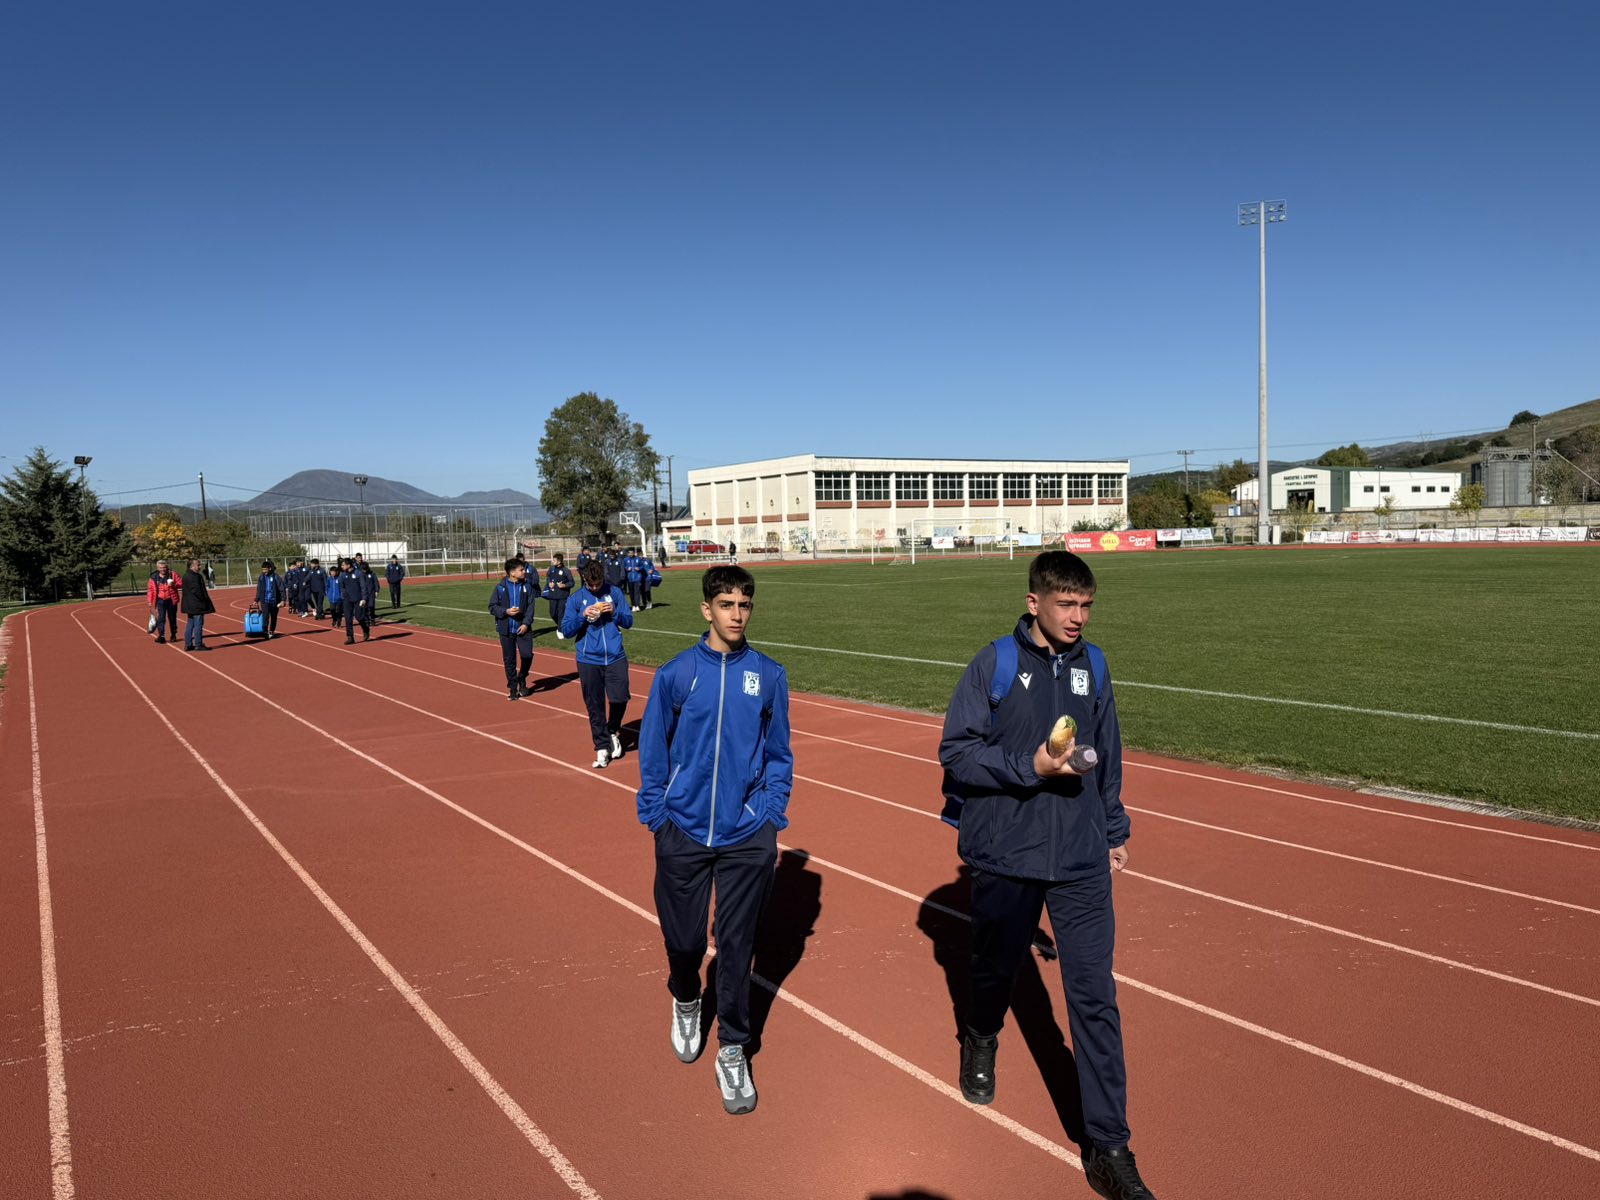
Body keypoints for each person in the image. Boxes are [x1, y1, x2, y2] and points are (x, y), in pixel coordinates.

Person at [937, 550, 1154, 1200]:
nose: (1078, 617)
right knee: (994, 969)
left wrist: (1113, 828)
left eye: (1086, 606)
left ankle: (1110, 1147)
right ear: (1034, 603)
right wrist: (1026, 767)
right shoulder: (995, 665)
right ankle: (981, 1035)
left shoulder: (1095, 666)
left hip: (1081, 860)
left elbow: (1107, 750)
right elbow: (956, 753)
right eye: (1066, 605)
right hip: (1007, 855)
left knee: (1095, 999)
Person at [636, 565, 793, 1116]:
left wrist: (771, 813)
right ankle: (685, 996)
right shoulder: (676, 675)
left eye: (744, 604)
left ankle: (733, 1047)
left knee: (737, 945)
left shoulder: (769, 675)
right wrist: (657, 815)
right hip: (681, 828)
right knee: (683, 941)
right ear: (707, 609)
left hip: (747, 834)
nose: (737, 614)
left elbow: (779, 753)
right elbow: (653, 751)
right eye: (726, 604)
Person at [559, 559, 633, 768]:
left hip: (615, 656)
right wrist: (582, 616)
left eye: (598, 584)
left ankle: (612, 730)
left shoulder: (615, 593)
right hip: (588, 659)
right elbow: (566, 630)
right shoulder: (576, 599)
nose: (594, 588)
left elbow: (629, 622)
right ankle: (601, 746)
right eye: (590, 584)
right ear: (584, 579)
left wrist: (614, 612)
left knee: (620, 697)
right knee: (595, 705)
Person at [488, 557, 536, 700]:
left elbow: (531, 607)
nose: (524, 572)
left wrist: (526, 623)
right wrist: (506, 611)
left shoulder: (527, 587)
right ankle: (513, 687)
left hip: (523, 628)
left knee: (527, 655)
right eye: (521, 570)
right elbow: (492, 607)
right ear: (512, 572)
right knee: (509, 660)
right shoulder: (500, 588)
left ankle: (522, 677)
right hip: (506, 629)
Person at [179, 557, 215, 650]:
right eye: (198, 565)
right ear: (192, 566)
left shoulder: (186, 575)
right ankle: (198, 644)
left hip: (189, 604)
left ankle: (188, 644)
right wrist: (204, 602)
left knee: (190, 624)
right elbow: (197, 591)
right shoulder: (194, 576)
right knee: (198, 624)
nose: (200, 567)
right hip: (197, 605)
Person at [146, 560, 181, 644]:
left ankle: (173, 634)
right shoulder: (153, 577)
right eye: (161, 568)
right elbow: (150, 590)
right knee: (161, 618)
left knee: (172, 618)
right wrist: (150, 601)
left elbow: (181, 583)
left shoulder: (173, 574)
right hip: (160, 600)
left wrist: (174, 585)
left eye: (164, 567)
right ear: (157, 568)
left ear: (167, 567)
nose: (163, 569)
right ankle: (161, 636)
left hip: (171, 600)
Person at [344, 557, 376, 643]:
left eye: (343, 565)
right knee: (348, 618)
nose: (342, 566)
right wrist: (343, 595)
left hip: (358, 599)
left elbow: (363, 586)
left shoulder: (358, 573)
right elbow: (342, 587)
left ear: (348, 565)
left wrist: (364, 598)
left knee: (359, 617)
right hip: (347, 600)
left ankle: (366, 629)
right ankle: (350, 637)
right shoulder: (343, 575)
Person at [544, 552, 574, 640]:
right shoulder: (551, 568)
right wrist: (549, 583)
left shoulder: (566, 570)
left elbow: (572, 582)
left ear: (559, 561)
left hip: (562, 596)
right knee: (552, 613)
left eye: (554, 560)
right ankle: (561, 625)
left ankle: (560, 630)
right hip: (553, 595)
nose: (552, 561)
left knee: (561, 614)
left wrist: (564, 585)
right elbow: (548, 576)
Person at [254, 560, 284, 638]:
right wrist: (256, 600)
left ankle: (271, 631)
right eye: (263, 570)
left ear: (270, 569)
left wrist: (283, 600)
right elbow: (259, 589)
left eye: (265, 569)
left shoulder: (276, 577)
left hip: (274, 601)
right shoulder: (261, 577)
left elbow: (281, 588)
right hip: (264, 601)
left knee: (273, 617)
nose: (264, 571)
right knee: (265, 617)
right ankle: (265, 631)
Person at [326, 562, 345, 632]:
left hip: (339, 598)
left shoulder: (339, 579)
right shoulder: (329, 579)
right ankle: (334, 619)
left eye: (334, 572)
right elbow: (327, 587)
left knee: (339, 611)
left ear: (337, 572)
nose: (333, 573)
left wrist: (342, 596)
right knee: (332, 609)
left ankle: (339, 621)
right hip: (331, 598)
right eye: (331, 572)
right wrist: (328, 593)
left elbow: (342, 588)